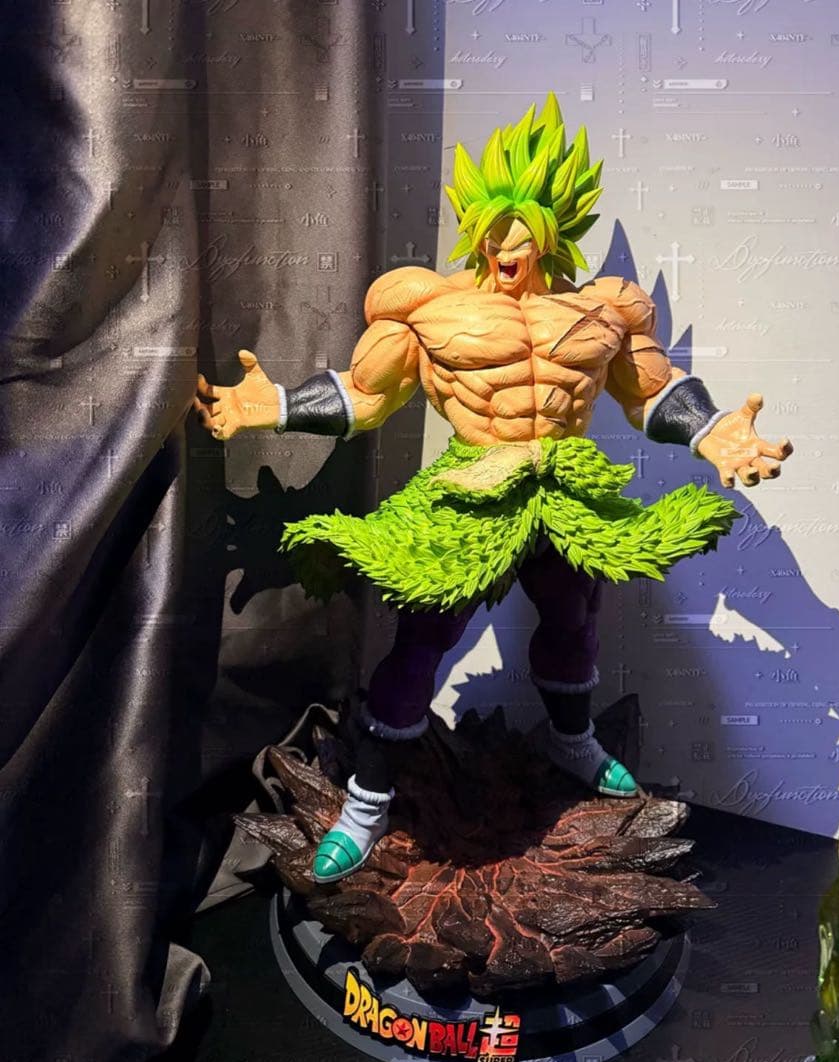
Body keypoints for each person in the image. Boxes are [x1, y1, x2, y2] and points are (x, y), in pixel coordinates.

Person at [192, 93, 792, 885]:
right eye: (495, 228)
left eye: (524, 230)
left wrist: (715, 433)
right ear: (474, 227)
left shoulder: (603, 308)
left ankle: (571, 741)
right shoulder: (426, 305)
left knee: (574, 621)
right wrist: (270, 406)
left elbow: (650, 392)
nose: (507, 246)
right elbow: (366, 396)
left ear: (553, 232)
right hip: (471, 492)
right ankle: (366, 805)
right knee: (422, 643)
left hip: (566, 490)